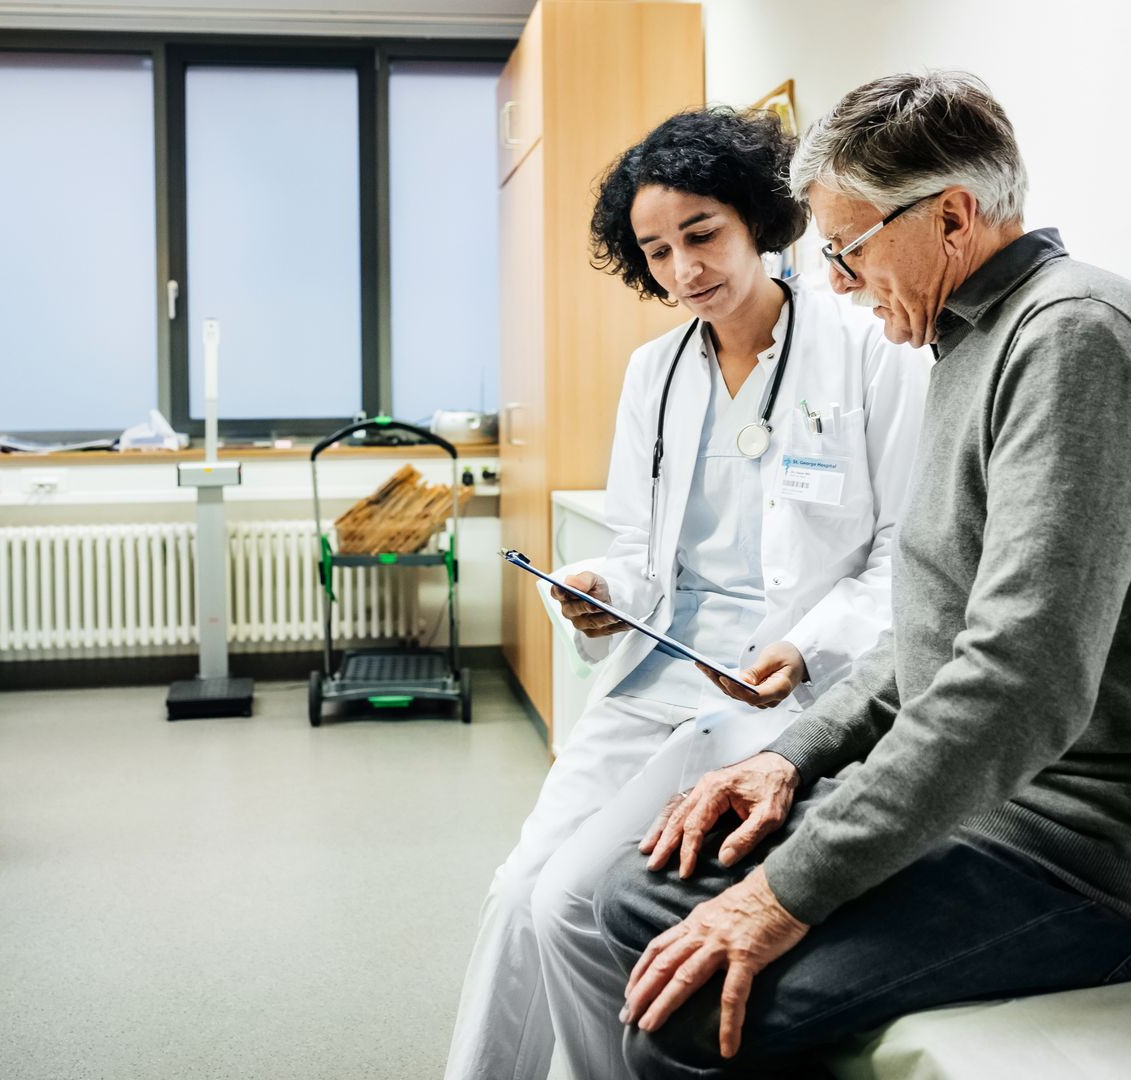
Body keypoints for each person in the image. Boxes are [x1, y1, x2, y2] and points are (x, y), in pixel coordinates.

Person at [561, 71, 1131, 1078]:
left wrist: (782, 892)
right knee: (636, 895)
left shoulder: (1076, 343)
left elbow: (1017, 682)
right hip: (996, 803)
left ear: (950, 217)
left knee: (683, 1015)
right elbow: (932, 626)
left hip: (1104, 854)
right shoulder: (970, 343)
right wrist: (793, 760)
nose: (838, 283)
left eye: (848, 250)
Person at [445, 107, 931, 1080]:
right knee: (515, 894)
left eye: (701, 235)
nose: (682, 272)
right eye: (655, 252)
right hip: (659, 671)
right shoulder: (655, 375)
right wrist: (594, 587)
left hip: (773, 693)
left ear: (758, 217)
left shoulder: (867, 349)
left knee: (567, 905)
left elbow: (902, 559)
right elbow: (638, 546)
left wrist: (806, 648)